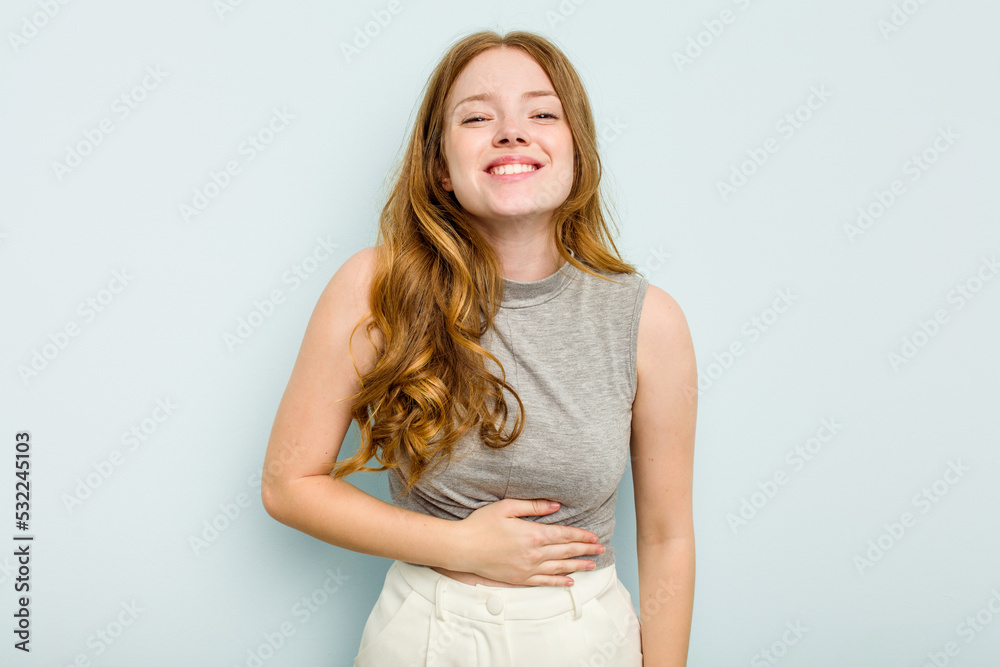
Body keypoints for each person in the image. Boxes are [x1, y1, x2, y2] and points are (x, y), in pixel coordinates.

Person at [261, 28, 697, 666]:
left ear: (577, 152)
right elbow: (288, 484)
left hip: (585, 638)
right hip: (425, 635)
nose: (512, 132)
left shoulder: (647, 320)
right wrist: (462, 547)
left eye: (542, 112)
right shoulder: (375, 288)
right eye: (477, 117)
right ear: (440, 167)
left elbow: (667, 538)